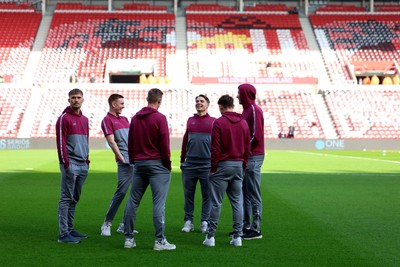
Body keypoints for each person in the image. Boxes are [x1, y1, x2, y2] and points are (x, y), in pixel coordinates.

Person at [123, 88, 176, 250]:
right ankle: (159, 241)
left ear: (147, 99)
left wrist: (133, 160)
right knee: (158, 203)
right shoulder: (160, 118)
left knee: (133, 200)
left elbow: (130, 141)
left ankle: (129, 238)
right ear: (159, 101)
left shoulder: (135, 118)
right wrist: (167, 163)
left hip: (140, 163)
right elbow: (164, 143)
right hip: (157, 164)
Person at [203, 95, 250, 247]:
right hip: (237, 166)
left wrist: (213, 168)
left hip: (222, 166)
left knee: (216, 203)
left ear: (221, 106)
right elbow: (247, 148)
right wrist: (243, 166)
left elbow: (215, 148)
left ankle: (210, 237)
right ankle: (238, 237)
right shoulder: (243, 123)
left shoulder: (219, 122)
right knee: (237, 202)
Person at [56, 88, 90, 243]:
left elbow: (86, 141)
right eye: (73, 97)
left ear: (83, 99)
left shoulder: (85, 120)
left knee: (74, 198)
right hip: (71, 163)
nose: (76, 100)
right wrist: (66, 163)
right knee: (66, 198)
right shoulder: (64, 118)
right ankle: (63, 234)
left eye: (79, 97)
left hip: (83, 164)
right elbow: (61, 142)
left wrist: (87, 160)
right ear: (68, 100)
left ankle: (70, 228)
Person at [100, 94, 137, 236]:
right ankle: (107, 223)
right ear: (113, 104)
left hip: (134, 161)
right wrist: (122, 158)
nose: (123, 105)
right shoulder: (106, 120)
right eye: (121, 103)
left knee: (135, 194)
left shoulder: (125, 119)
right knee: (121, 192)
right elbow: (111, 142)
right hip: (124, 162)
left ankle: (124, 224)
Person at [180, 94, 216, 233]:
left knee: (207, 195)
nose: (199, 103)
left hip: (207, 165)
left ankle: (204, 221)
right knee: (188, 195)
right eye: (197, 101)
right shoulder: (190, 120)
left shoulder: (214, 121)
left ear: (207, 104)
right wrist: (182, 159)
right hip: (190, 165)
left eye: (201, 101)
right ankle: (188, 221)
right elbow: (185, 140)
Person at [237, 83, 265, 240]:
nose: (237, 96)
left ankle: (256, 228)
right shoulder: (247, 110)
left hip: (253, 155)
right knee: (246, 191)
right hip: (248, 155)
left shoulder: (254, 110)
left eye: (239, 93)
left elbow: (255, 135)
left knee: (253, 192)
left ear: (245, 94)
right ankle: (246, 226)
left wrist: (243, 151)